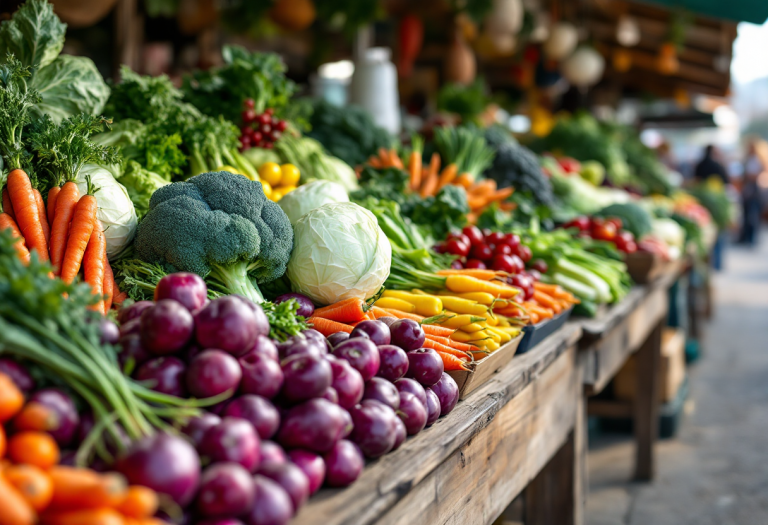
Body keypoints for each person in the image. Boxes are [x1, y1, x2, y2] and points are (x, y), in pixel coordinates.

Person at [739, 139, 767, 245]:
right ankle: (746, 237)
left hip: (755, 190)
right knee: (747, 214)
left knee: (753, 215)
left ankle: (752, 238)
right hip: (749, 189)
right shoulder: (749, 159)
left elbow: (756, 174)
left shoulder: (758, 160)